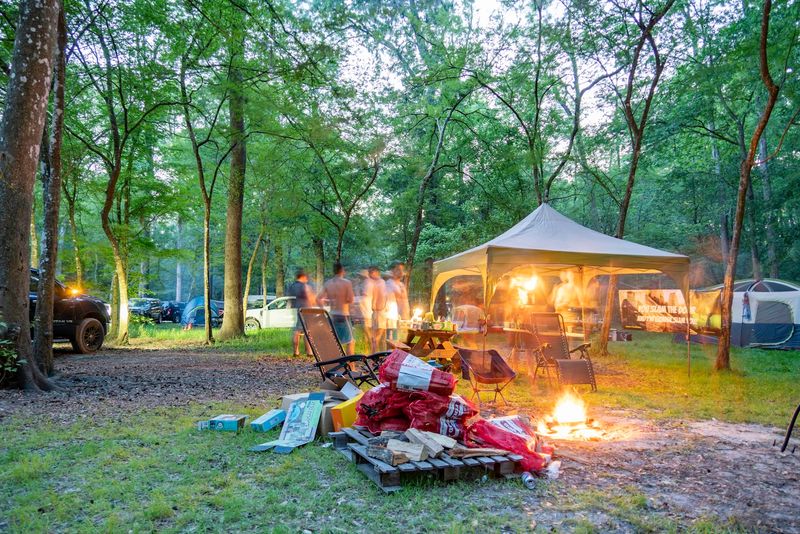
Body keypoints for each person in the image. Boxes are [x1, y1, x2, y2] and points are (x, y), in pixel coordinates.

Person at [318, 262, 355, 355]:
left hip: (332, 315)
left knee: (336, 341)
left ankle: (337, 362)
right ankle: (351, 366)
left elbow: (318, 298)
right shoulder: (347, 283)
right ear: (342, 270)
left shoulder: (328, 283)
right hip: (343, 314)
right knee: (350, 342)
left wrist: (323, 311)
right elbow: (350, 299)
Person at [287, 269, 316, 357]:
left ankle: (296, 351)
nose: (307, 279)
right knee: (306, 331)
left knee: (299, 330)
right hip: (306, 310)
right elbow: (312, 299)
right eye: (306, 277)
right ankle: (309, 352)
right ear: (303, 277)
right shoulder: (305, 286)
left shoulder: (292, 286)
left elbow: (290, 300)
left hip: (297, 310)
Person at [385, 263, 410, 341]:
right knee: (392, 340)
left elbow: (404, 301)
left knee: (400, 340)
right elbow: (400, 298)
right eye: (398, 269)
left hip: (398, 317)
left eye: (402, 270)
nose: (401, 272)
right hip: (390, 316)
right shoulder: (390, 283)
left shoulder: (400, 284)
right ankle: (390, 353)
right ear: (392, 271)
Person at [366, 266, 387, 352]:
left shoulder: (380, 282)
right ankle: (374, 354)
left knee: (376, 336)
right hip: (378, 311)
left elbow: (383, 297)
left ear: (376, 272)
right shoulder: (379, 282)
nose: (370, 275)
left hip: (378, 311)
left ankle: (374, 354)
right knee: (376, 336)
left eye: (371, 273)